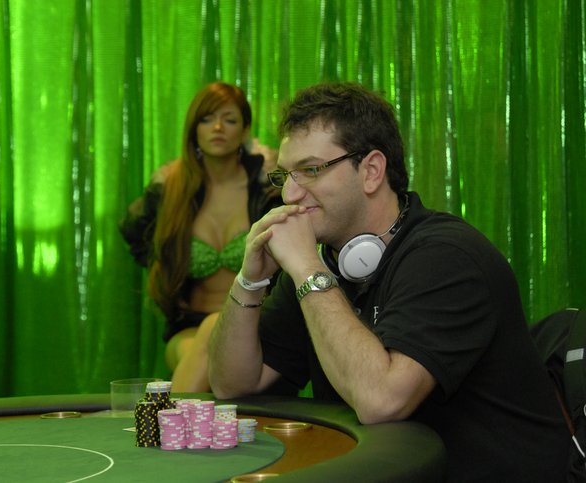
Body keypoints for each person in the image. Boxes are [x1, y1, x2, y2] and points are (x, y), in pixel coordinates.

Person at [208, 82, 570, 481]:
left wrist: (309, 272)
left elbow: (381, 401)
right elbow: (231, 386)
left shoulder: (447, 257)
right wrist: (249, 280)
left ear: (371, 171)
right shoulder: (323, 262)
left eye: (310, 170)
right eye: (285, 175)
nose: (290, 194)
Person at [119, 81, 282, 392]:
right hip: (189, 328)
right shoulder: (172, 189)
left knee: (212, 335)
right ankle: (177, 419)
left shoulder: (266, 192)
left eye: (229, 119)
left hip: (256, 328)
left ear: (245, 131)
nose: (217, 127)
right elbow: (136, 233)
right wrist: (168, 267)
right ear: (194, 129)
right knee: (207, 334)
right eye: (207, 119)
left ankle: (165, 418)